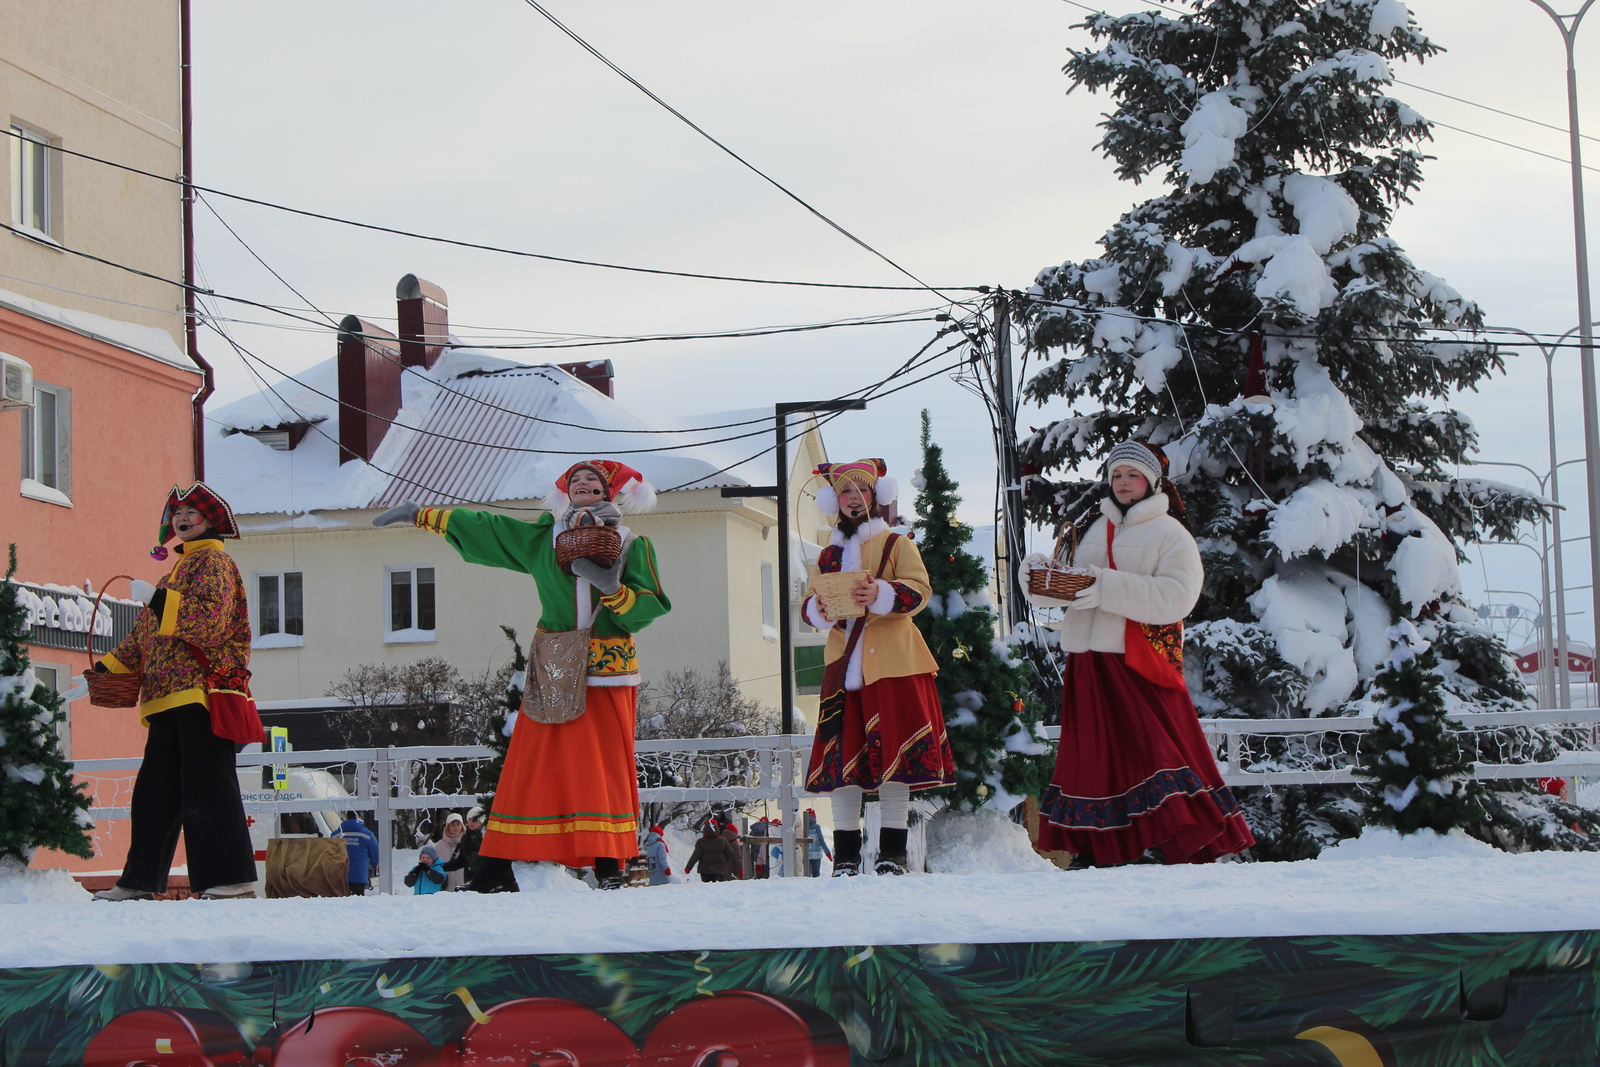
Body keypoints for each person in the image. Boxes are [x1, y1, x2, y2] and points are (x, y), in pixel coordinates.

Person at [375, 460, 669, 892]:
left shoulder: (631, 544)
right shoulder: (544, 539)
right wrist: (422, 515)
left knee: (601, 768)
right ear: (566, 492)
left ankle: (609, 866)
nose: (582, 483)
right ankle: (494, 869)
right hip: (554, 666)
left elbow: (646, 608)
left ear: (609, 492)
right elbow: (490, 529)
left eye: (592, 480)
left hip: (608, 672)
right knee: (529, 764)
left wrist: (612, 589)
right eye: (575, 480)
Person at [1021, 440, 1255, 867]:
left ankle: (1161, 838)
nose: (1123, 482)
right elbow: (1071, 587)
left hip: (1138, 659)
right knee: (1094, 753)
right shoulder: (1092, 526)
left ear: (1151, 481)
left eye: (1132, 475)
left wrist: (1107, 588)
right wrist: (1037, 578)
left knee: (1154, 750)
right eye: (1116, 475)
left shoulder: (1170, 533)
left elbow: (1178, 597)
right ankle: (1099, 845)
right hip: (1090, 660)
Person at [91, 483, 260, 901]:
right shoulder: (177, 571)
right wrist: (100, 671)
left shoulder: (215, 563)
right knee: (155, 793)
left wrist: (157, 598)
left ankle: (231, 879)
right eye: (177, 513)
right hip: (165, 697)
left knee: (209, 788)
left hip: (201, 694)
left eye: (191, 513)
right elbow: (142, 639)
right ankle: (139, 881)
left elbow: (209, 623)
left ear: (210, 520)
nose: (182, 519)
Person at [801, 460, 954, 876]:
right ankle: (846, 858)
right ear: (836, 500)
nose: (854, 499)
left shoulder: (896, 543)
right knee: (841, 761)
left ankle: (893, 854)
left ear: (875, 496)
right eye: (846, 492)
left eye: (862, 491)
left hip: (893, 664)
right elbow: (811, 602)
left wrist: (881, 593)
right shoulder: (828, 554)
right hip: (842, 667)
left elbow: (920, 591)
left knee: (895, 757)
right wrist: (819, 610)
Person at [335, 814, 380, 896]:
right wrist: (374, 864)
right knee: (358, 899)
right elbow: (375, 852)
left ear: (346, 818)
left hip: (340, 874)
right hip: (359, 874)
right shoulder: (367, 835)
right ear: (359, 818)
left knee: (341, 900)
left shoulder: (336, 835)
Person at [440, 808, 484, 889]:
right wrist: (442, 867)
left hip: (485, 879)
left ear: (481, 822)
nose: (471, 822)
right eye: (469, 819)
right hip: (469, 879)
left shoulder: (486, 837)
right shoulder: (466, 837)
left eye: (475, 820)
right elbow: (462, 860)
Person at [432, 813, 469, 891]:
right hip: (446, 889)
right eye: (453, 825)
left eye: (458, 824)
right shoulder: (439, 846)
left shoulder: (468, 843)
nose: (456, 827)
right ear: (448, 827)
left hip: (464, 888)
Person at [804, 809, 832, 877]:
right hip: (817, 854)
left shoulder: (804, 827)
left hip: (806, 854)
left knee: (807, 875)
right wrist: (828, 853)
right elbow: (821, 841)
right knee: (816, 874)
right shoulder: (817, 827)